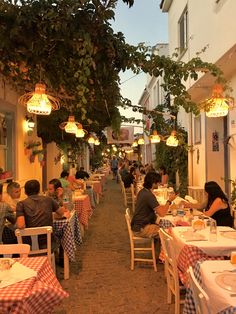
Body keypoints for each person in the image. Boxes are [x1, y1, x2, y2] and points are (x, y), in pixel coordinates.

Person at [16, 180, 64, 249]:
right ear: (39, 190)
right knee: (58, 235)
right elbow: (61, 213)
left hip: (30, 245)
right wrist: (60, 197)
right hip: (48, 243)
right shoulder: (49, 200)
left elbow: (20, 225)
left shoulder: (21, 204)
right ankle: (57, 257)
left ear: (25, 192)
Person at [131, 172, 176, 238]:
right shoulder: (148, 195)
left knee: (168, 224)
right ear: (153, 183)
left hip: (137, 225)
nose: (159, 184)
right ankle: (164, 247)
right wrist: (169, 201)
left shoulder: (143, 191)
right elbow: (162, 213)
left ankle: (159, 246)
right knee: (169, 233)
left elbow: (158, 208)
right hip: (141, 229)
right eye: (158, 182)